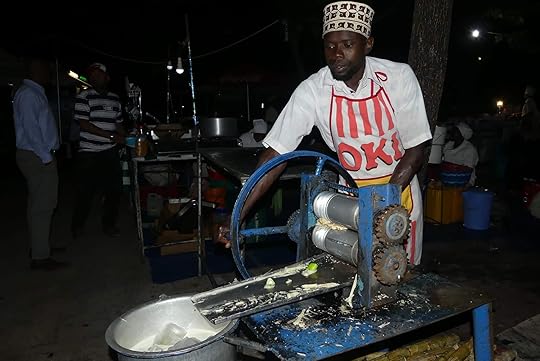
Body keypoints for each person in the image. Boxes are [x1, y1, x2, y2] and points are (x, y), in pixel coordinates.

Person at [219, 0, 432, 266]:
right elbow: (275, 155)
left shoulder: (399, 78)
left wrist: (380, 205)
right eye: (330, 46)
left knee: (398, 273)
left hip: (400, 196)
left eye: (347, 44)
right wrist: (238, 215)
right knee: (355, 274)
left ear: (367, 44)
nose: (336, 54)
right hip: (348, 204)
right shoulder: (313, 90)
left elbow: (415, 150)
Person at [13, 57, 67, 270]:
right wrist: (46, 157)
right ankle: (40, 257)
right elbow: (31, 130)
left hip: (38, 154)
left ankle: (40, 246)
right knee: (42, 206)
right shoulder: (28, 95)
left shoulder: (34, 93)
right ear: (36, 70)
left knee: (40, 205)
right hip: (36, 156)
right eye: (45, 69)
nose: (48, 74)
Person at [71, 63, 125, 238]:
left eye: (99, 74)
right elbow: (84, 124)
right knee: (85, 191)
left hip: (109, 151)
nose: (95, 77)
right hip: (89, 151)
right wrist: (111, 137)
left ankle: (108, 224)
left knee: (113, 190)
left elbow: (118, 123)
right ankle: (78, 226)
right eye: (92, 75)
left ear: (107, 77)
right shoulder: (83, 96)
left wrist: (126, 137)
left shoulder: (115, 98)